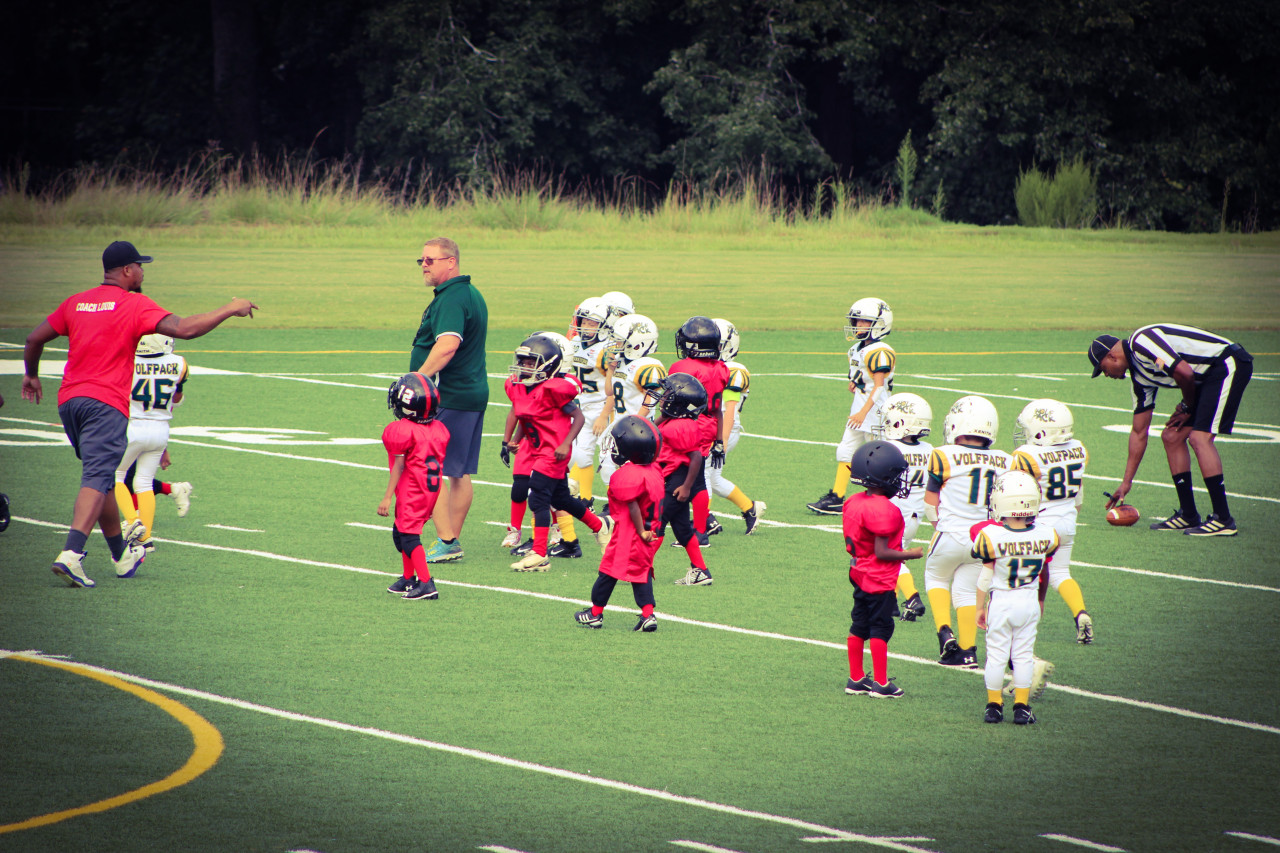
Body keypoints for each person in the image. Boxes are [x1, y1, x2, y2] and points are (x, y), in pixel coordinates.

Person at [22, 240, 257, 588]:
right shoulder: (132, 304)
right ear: (128, 270)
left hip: (70, 401)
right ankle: (71, 554)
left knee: (101, 478)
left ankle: (121, 555)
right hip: (106, 405)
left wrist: (31, 374)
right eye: (141, 266)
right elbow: (186, 328)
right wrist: (230, 308)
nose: (143, 272)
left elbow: (34, 338)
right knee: (97, 479)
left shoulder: (76, 301)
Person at [1089, 326, 1253, 536]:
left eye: (1102, 368)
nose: (1105, 374)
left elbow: (1184, 371)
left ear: (1111, 356)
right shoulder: (1139, 379)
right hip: (1205, 378)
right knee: (1171, 436)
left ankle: (1223, 519)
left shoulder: (1141, 341)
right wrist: (1126, 482)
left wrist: (1187, 407)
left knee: (1199, 438)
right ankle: (1189, 515)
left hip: (1225, 364)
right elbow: (1139, 431)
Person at [502, 335, 612, 572]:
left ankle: (539, 553)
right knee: (561, 499)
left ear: (548, 365)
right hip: (537, 448)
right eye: (522, 361)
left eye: (530, 362)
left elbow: (579, 417)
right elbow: (526, 417)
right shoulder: (519, 387)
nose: (524, 366)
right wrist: (515, 440)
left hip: (554, 450)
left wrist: (565, 443)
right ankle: (601, 526)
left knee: (538, 498)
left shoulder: (554, 389)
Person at [409, 237, 489, 562]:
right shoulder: (468, 293)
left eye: (431, 259)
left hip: (450, 395)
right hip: (468, 392)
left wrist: (418, 379)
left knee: (430, 466)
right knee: (458, 471)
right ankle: (449, 541)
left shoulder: (453, 298)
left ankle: (446, 538)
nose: (425, 265)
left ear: (451, 262)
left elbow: (446, 346)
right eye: (422, 260)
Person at [923, 395, 1011, 667]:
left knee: (936, 577)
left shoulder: (942, 454)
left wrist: (940, 525)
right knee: (966, 591)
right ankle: (969, 650)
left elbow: (930, 502)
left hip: (950, 533)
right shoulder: (1006, 460)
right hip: (983, 538)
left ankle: (944, 631)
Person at [974, 471, 1060, 725]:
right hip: (1029, 599)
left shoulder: (991, 536)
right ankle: (1022, 707)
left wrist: (980, 607)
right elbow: (1046, 566)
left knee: (996, 655)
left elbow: (984, 578)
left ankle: (994, 705)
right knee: (1023, 655)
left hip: (1001, 600)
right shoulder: (1047, 534)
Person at [842, 440, 924, 699]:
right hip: (878, 576)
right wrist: (910, 553)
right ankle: (881, 683)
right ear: (883, 476)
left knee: (859, 624)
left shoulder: (854, 501)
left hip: (858, 571)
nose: (899, 481)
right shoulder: (885, 510)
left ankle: (855, 679)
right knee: (880, 627)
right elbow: (882, 552)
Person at [1011, 399, 1094, 644]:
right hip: (1067, 520)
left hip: (1041, 523)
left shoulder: (1027, 454)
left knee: (1028, 578)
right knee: (1060, 573)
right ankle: (1080, 612)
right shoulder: (1079, 448)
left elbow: (1018, 492)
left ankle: (1025, 626)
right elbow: (1078, 492)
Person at [574, 416, 665, 631]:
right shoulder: (655, 471)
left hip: (633, 533)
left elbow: (632, 504)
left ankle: (595, 613)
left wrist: (641, 530)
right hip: (652, 532)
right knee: (641, 573)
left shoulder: (627, 475)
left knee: (608, 572)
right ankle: (648, 614)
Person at [808, 298, 896, 515]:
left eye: (864, 322)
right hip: (859, 409)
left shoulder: (880, 351)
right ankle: (837, 496)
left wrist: (863, 412)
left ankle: (885, 498)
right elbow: (862, 379)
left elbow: (879, 387)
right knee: (845, 450)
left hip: (875, 411)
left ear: (879, 323)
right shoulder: (855, 349)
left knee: (879, 457)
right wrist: (854, 384)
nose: (858, 326)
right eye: (856, 321)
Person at [111, 333, 188, 559]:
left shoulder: (128, 361)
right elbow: (177, 399)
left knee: (115, 476)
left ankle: (133, 522)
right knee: (143, 482)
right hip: (160, 429)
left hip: (133, 426)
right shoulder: (180, 363)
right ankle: (145, 538)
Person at [379, 373, 451, 600]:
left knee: (409, 538)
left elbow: (399, 466)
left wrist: (387, 497)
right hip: (428, 488)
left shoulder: (402, 430)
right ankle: (408, 578)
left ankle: (427, 583)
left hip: (413, 490)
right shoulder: (438, 428)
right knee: (401, 533)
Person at [668, 316, 733, 547]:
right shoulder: (722, 368)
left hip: (685, 425)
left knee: (682, 479)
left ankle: (689, 530)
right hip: (709, 425)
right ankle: (697, 531)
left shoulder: (682, 367)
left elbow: (672, 401)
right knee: (698, 480)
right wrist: (718, 439)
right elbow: (717, 409)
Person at [561, 298, 617, 556]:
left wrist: (604, 415)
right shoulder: (573, 343)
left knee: (607, 460)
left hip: (600, 409)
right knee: (577, 456)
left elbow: (612, 388)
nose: (585, 326)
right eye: (583, 320)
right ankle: (585, 498)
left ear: (604, 325)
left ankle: (589, 499)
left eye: (592, 321)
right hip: (579, 407)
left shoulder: (607, 350)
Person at [651, 373, 718, 586]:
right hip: (671, 476)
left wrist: (687, 486)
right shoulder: (673, 419)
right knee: (682, 529)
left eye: (668, 394)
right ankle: (701, 571)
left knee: (657, 524)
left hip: (678, 478)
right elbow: (653, 426)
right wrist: (664, 413)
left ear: (680, 403)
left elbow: (696, 456)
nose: (663, 397)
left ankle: (640, 568)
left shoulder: (683, 426)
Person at [702, 318, 766, 536]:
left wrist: (722, 440)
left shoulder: (734, 369)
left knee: (702, 474)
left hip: (723, 428)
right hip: (711, 427)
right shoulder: (712, 366)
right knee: (713, 478)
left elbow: (728, 409)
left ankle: (703, 523)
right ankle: (750, 508)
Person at [877, 392, 934, 621]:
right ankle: (891, 604)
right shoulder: (930, 449)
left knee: (889, 557)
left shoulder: (890, 449)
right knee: (895, 556)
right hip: (915, 513)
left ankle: (912, 596)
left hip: (893, 511)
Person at [599, 313, 667, 490]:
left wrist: (634, 424)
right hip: (620, 423)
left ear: (637, 344)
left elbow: (650, 399)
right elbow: (609, 392)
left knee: (631, 471)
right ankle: (615, 503)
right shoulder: (621, 362)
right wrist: (610, 371)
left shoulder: (647, 365)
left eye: (620, 341)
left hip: (638, 428)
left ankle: (634, 504)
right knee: (607, 465)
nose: (616, 345)